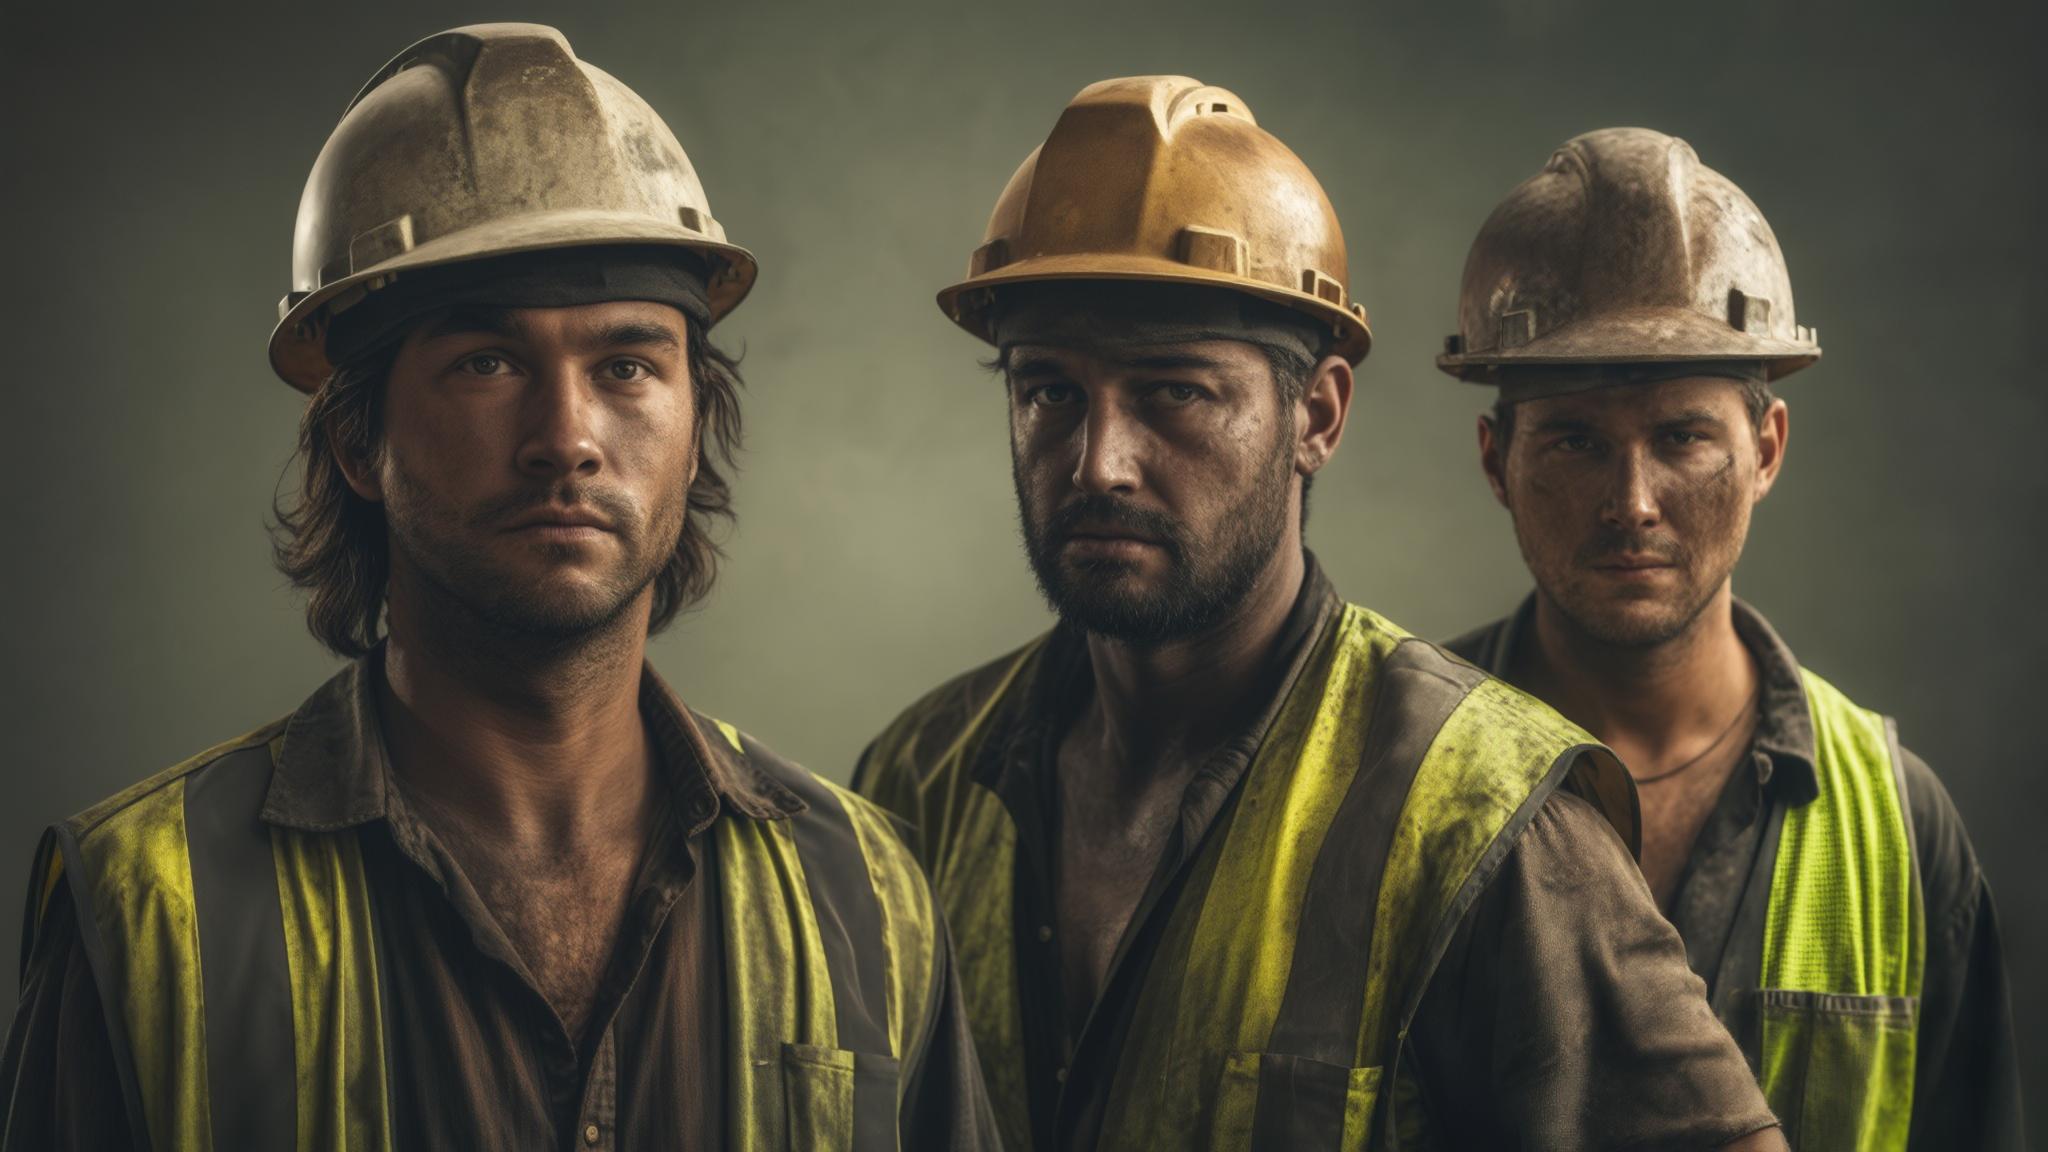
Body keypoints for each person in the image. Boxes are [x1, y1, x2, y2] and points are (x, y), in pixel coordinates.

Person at [1, 24, 994, 1151]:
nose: (565, 438)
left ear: (691, 430)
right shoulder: (147, 912)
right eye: (486, 363)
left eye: (625, 364)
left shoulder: (861, 895)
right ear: (355, 442)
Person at [857, 77, 1785, 1150]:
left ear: (1317, 415)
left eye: (1174, 392)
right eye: (1048, 392)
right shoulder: (917, 784)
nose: (1098, 462)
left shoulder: (1484, 820)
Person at [1440, 126, 2024, 1151]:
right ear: (1496, 462)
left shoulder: (1893, 824)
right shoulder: (1400, 772)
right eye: (1574, 441)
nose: (1631, 503)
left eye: (1680, 438)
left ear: (1764, 449)